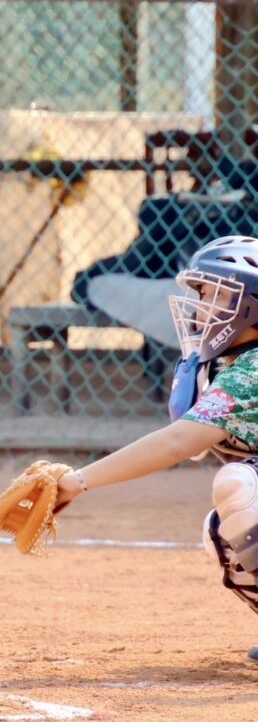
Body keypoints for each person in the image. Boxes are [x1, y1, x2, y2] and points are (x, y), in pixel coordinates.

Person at [48, 235, 258, 662]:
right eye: (201, 293)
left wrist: (76, 481)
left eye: (216, 294)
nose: (201, 306)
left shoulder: (252, 369)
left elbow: (178, 442)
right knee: (222, 529)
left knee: (240, 488)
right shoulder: (232, 364)